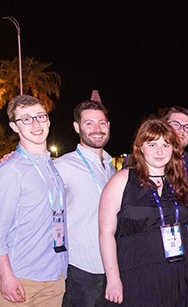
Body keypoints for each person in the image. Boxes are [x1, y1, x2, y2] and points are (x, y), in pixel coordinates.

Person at [99, 119, 188, 306]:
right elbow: (106, 232)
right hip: (135, 274)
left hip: (176, 274)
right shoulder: (122, 180)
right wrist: (113, 278)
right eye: (152, 144)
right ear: (140, 147)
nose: (160, 151)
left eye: (165, 145)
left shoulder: (178, 181)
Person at [0, 95, 68, 306]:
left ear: (48, 120)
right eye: (26, 119)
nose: (36, 124)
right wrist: (6, 276)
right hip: (22, 278)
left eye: (40, 116)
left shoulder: (50, 165)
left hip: (55, 275)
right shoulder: (12, 170)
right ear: (14, 126)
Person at [54, 100, 114, 307]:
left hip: (111, 267)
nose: (97, 129)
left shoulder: (111, 168)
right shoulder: (63, 166)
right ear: (76, 127)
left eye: (102, 123)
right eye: (89, 123)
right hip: (80, 269)